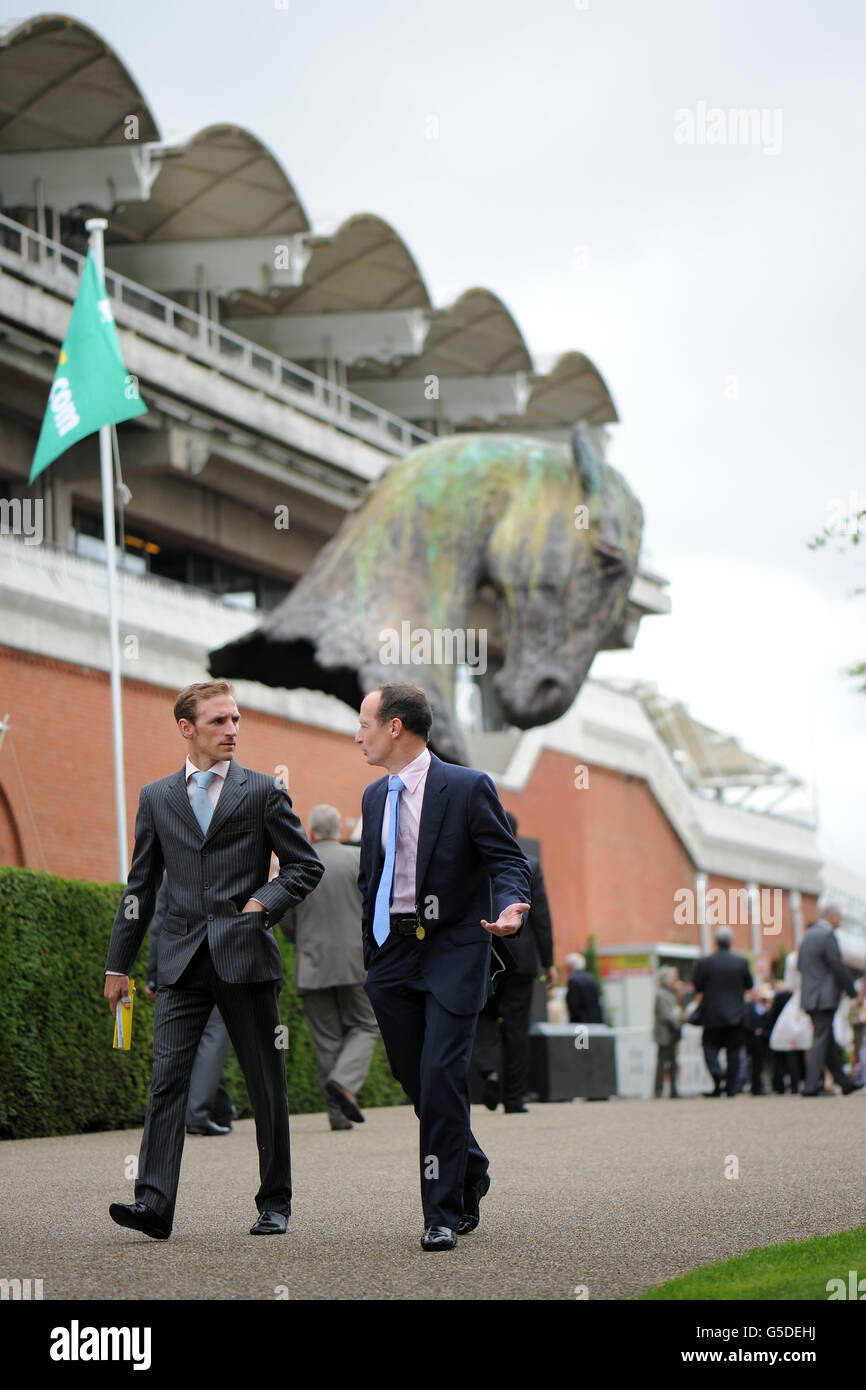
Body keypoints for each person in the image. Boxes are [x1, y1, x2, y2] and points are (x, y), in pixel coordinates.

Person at [103, 680, 324, 1240]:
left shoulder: (262, 792)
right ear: (187, 728)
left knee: (264, 1084)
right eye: (219, 721)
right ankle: (153, 1205)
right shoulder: (156, 798)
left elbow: (304, 866)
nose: (231, 730)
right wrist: (117, 966)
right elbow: (141, 888)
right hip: (179, 962)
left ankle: (275, 1202)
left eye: (236, 720)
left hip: (246, 954)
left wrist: (262, 903)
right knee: (166, 1082)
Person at [355, 683, 531, 1252]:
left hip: (454, 949)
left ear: (396, 727)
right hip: (392, 954)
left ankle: (442, 1212)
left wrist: (510, 905)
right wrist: (371, 947)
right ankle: (471, 1164)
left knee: (440, 1076)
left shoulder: (466, 786)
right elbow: (371, 879)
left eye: (365, 723)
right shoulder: (373, 797)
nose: (358, 734)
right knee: (419, 1083)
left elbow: (507, 858)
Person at [279, 804, 380, 1131]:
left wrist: (303, 940)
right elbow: (375, 911)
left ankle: (338, 1117)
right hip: (355, 962)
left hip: (313, 965)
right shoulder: (358, 859)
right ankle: (345, 1081)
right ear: (338, 830)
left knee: (327, 1040)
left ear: (310, 832)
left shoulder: (296, 866)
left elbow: (286, 920)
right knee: (366, 1026)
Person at [474, 811, 555, 1114]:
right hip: (520, 960)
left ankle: (488, 1071)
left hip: (484, 955)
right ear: (516, 837)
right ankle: (515, 1098)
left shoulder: (476, 861)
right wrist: (549, 963)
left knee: (482, 1017)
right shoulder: (530, 866)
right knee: (516, 1027)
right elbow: (542, 919)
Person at [146, 874, 236, 1136]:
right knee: (213, 1036)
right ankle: (197, 1114)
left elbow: (159, 922)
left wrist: (154, 975)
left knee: (194, 1039)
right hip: (223, 961)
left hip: (180, 964)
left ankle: (221, 1109)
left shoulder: (172, 870)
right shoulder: (230, 863)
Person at [798, 897, 862, 1097]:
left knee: (828, 1041)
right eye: (839, 916)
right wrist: (852, 990)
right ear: (832, 917)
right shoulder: (827, 936)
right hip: (824, 997)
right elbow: (837, 966)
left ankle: (844, 1082)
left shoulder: (807, 935)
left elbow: (801, 965)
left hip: (810, 996)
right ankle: (810, 1085)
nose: (840, 920)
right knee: (821, 1039)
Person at [692, 926, 753, 1097]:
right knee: (734, 1051)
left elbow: (697, 986)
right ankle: (731, 1087)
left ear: (715, 941)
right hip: (735, 1015)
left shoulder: (705, 962)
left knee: (709, 1047)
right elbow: (749, 984)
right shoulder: (741, 962)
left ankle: (718, 1077)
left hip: (712, 1014)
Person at [653, 966, 682, 1098]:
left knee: (673, 1062)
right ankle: (658, 1090)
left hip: (672, 1033)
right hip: (665, 1033)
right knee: (662, 1062)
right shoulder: (661, 995)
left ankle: (673, 1089)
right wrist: (676, 1023)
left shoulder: (672, 994)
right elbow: (665, 1015)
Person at [743, 985, 774, 1096]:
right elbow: (746, 1022)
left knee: (761, 1065)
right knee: (753, 1065)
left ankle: (761, 1086)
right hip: (752, 1041)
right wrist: (755, 1031)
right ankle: (755, 1087)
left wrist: (764, 1032)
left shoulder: (764, 1008)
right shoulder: (748, 1007)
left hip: (762, 1042)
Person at [565, 953, 604, 1024]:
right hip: (595, 1021)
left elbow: (573, 1005)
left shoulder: (573, 980)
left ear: (571, 966)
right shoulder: (591, 978)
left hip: (581, 1023)